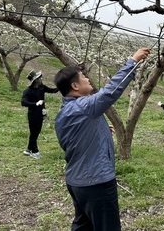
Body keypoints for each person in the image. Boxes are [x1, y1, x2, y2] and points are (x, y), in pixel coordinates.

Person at [54, 47, 150, 231]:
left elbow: (71, 140)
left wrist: (100, 130)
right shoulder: (84, 107)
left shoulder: (65, 112)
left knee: (83, 226)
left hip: (76, 181)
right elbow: (110, 92)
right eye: (83, 78)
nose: (88, 79)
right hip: (96, 182)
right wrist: (133, 62)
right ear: (75, 86)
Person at [21, 70, 59, 159]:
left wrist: (62, 86)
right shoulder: (28, 91)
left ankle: (28, 149)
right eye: (39, 78)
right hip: (33, 115)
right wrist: (35, 103)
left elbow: (52, 90)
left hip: (41, 114)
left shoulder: (41, 87)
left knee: (36, 132)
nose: (41, 79)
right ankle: (34, 151)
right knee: (34, 132)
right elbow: (23, 102)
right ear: (35, 80)